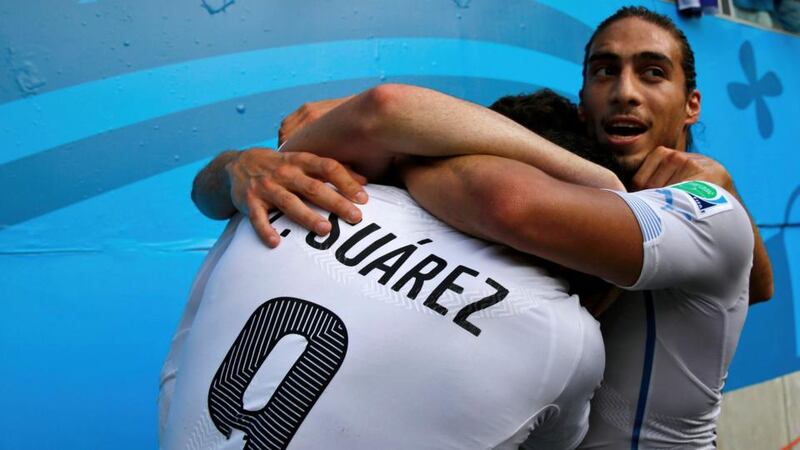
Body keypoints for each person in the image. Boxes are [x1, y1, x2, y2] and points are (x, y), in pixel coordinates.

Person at [190, 6, 772, 448]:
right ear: (581, 101)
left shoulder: (700, 201)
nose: (624, 92)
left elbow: (503, 200)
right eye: (604, 71)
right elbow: (211, 188)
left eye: (652, 73)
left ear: (691, 104)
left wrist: (389, 142)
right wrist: (241, 164)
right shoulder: (563, 170)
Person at [159, 90, 626, 450]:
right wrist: (614, 205)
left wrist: (235, 165)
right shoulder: (566, 335)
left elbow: (206, 191)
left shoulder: (294, 187)